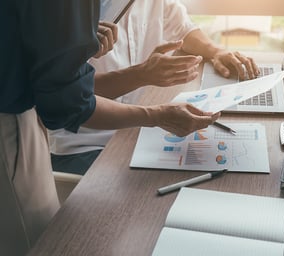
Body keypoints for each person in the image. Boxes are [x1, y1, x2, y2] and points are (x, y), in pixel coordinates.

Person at [0, 1, 219, 255]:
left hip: (28, 116)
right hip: (17, 124)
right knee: (39, 245)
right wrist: (156, 114)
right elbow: (68, 102)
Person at [49, 0, 259, 175]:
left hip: (136, 130)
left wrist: (216, 51)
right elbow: (68, 95)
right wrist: (142, 75)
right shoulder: (67, 10)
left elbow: (183, 29)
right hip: (84, 145)